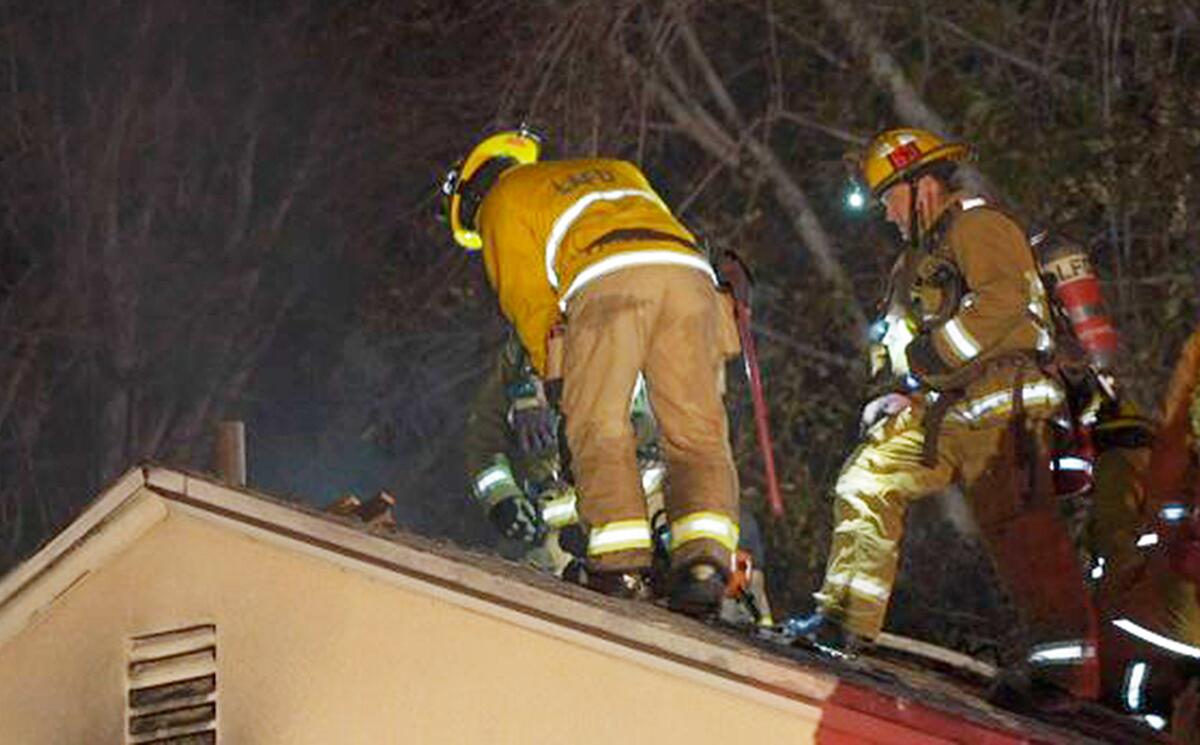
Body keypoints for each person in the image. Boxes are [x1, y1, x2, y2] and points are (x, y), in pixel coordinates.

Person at [789, 128, 1098, 703]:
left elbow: (1005, 301)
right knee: (868, 477)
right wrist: (894, 390)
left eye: (888, 197)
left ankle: (1063, 675)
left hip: (1003, 406)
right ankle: (844, 621)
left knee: (1021, 532)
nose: (884, 212)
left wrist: (933, 358)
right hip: (940, 414)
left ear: (920, 184)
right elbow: (898, 343)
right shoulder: (910, 266)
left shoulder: (978, 226)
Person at [442, 128, 742, 616]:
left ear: (473, 195)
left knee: (597, 424)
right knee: (697, 430)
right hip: (691, 278)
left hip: (609, 283)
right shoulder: (612, 171)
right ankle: (703, 566)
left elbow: (532, 307)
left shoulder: (500, 201)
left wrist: (560, 381)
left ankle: (620, 566)